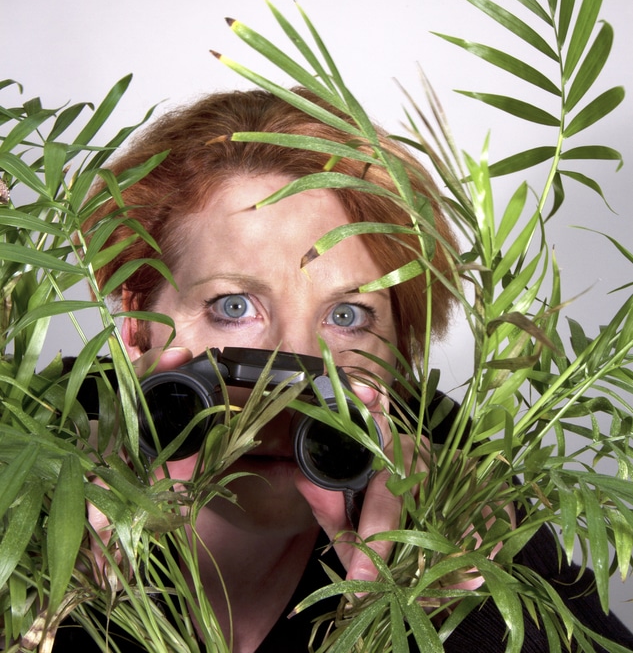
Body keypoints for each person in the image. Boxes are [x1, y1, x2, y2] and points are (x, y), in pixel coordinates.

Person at [56, 87, 632, 652]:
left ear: (399, 351)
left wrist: (456, 614)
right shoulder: (30, 446)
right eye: (233, 308)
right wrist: (42, 596)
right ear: (136, 322)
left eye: (347, 315)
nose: (286, 394)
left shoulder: (458, 481)